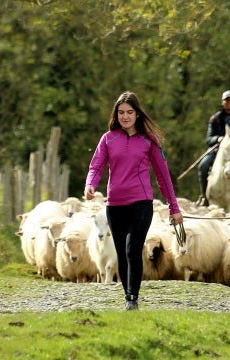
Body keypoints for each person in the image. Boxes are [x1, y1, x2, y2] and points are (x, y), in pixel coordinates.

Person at [84, 91, 183, 311]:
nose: (125, 116)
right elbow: (96, 166)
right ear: (116, 114)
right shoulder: (108, 138)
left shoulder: (149, 141)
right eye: (121, 112)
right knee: (121, 252)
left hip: (141, 203)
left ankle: (132, 298)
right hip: (114, 205)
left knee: (132, 248)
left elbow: (163, 176)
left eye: (129, 112)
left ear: (138, 114)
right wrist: (90, 184)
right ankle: (128, 294)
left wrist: (174, 207)